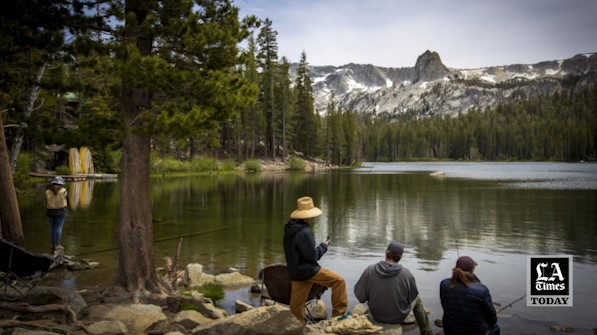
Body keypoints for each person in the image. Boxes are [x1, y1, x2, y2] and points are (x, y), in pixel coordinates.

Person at [283, 196, 348, 323]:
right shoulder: (305, 231)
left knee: (296, 308)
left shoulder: (289, 230)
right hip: (308, 271)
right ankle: (337, 317)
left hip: (296, 272)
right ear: (308, 215)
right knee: (339, 281)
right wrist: (323, 246)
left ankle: (297, 327)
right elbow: (313, 256)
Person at [354, 240, 434, 335]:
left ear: (386, 252)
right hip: (398, 318)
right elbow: (411, 298)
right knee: (417, 299)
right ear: (400, 257)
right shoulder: (407, 274)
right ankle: (427, 332)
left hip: (376, 316)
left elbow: (361, 298)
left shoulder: (370, 270)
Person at [439, 256, 500, 335]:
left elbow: (445, 306)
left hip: (450, 330)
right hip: (475, 332)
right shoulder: (482, 289)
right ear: (472, 270)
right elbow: (492, 319)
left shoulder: (444, 284)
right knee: (495, 326)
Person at [45, 176, 68, 252]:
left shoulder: (47, 192)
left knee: (52, 228)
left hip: (50, 211)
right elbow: (67, 199)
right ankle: (57, 244)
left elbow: (46, 201)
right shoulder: (64, 191)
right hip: (60, 211)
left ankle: (53, 244)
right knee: (58, 228)